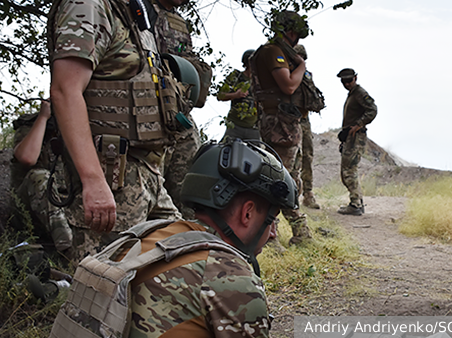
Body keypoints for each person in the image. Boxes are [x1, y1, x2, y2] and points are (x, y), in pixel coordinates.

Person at [49, 139, 297, 338]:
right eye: (272, 220)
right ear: (248, 213)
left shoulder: (148, 233)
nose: (273, 232)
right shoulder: (230, 275)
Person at [47, 0, 182, 262]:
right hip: (111, 173)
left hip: (147, 172)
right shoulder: (89, 5)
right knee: (103, 288)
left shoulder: (133, 10)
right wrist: (93, 180)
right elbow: (65, 91)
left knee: (179, 261)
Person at [250, 10, 312, 245]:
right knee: (278, 180)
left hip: (278, 122)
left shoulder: (267, 51)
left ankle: (301, 233)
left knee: (288, 178)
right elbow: (287, 86)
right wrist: (302, 67)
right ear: (291, 31)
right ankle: (271, 237)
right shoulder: (274, 52)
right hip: (280, 125)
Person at [150, 0, 212, 220]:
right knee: (151, 180)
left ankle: (186, 234)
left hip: (178, 109)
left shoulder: (179, 22)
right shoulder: (138, 9)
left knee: (188, 179)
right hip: (148, 110)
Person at [11, 99, 72, 252]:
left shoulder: (76, 128)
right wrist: (44, 117)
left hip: (66, 207)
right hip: (30, 210)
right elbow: (27, 157)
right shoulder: (32, 125)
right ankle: (68, 251)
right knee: (40, 177)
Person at [336, 68, 377, 216]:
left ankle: (355, 205)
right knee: (348, 170)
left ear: (355, 78)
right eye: (343, 81)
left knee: (348, 171)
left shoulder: (360, 93)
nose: (346, 83)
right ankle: (357, 202)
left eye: (349, 80)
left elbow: (372, 109)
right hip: (350, 136)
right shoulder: (353, 94)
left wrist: (359, 124)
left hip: (356, 137)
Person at [290, 44, 322, 209]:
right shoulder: (287, 73)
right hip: (288, 119)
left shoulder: (307, 75)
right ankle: (291, 192)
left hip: (303, 119)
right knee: (293, 156)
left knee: (307, 156)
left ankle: (308, 193)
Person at [217, 49, 260, 142]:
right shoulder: (236, 76)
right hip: (235, 125)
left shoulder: (260, 81)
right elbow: (220, 96)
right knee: (226, 150)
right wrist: (235, 94)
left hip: (253, 128)